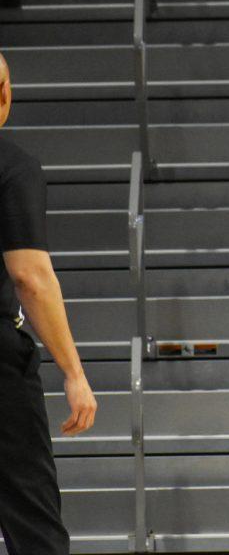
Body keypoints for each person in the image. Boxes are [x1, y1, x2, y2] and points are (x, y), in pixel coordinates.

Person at [0, 51, 97, 554]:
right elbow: (30, 277)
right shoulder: (12, 167)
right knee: (33, 524)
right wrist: (74, 373)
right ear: (5, 95)